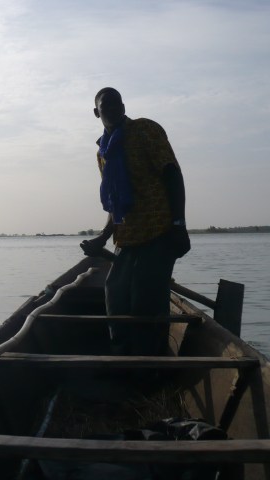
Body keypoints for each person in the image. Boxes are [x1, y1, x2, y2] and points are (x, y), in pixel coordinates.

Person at [80, 87, 190, 356]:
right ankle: (123, 363)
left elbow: (172, 174)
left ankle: (151, 369)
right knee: (115, 297)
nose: (114, 109)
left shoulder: (145, 130)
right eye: (106, 106)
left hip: (159, 232)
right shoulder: (103, 151)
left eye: (117, 104)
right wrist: (103, 237)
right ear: (96, 113)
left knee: (146, 304)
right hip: (127, 239)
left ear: (123, 106)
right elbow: (115, 203)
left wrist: (179, 225)